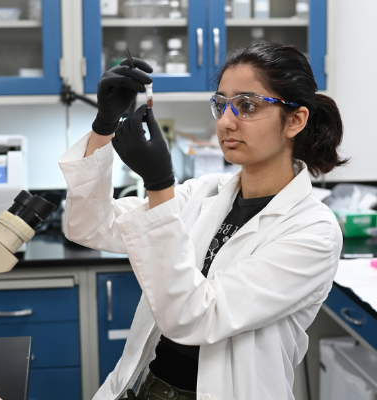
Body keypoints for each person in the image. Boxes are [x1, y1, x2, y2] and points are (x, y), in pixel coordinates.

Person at [66, 43, 345, 400]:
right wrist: (104, 125)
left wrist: (159, 186)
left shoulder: (313, 231)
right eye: (221, 104)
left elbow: (195, 317)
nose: (226, 121)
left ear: (295, 120)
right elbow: (89, 226)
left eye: (247, 105)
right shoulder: (205, 193)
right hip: (149, 387)